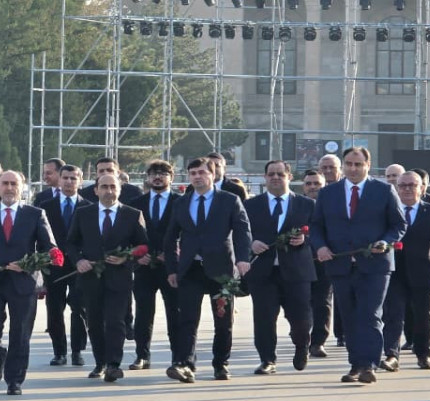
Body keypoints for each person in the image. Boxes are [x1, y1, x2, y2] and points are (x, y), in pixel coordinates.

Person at [309, 146, 406, 385]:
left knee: (370, 314)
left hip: (375, 265)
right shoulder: (328, 193)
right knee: (349, 316)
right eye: (349, 164)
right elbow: (317, 226)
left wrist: (385, 242)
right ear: (343, 166)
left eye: (358, 164)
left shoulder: (383, 191)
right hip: (340, 264)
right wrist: (320, 247)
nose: (353, 169)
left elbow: (398, 225)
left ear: (368, 166)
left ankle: (368, 365)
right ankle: (355, 364)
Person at [163, 156, 252, 383]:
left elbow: (242, 232)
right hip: (190, 269)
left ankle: (221, 364)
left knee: (223, 321)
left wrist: (243, 259)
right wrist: (172, 269)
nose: (197, 177)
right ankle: (185, 364)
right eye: (193, 173)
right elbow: (170, 238)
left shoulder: (229, 200)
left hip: (221, 270)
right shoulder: (181, 203)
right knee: (187, 319)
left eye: (202, 172)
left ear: (213, 174)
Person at [0, 170, 56, 395]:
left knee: (20, 333)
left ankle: (14, 380)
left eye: (13, 183)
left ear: (22, 187)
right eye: (5, 183)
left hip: (23, 283)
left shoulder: (35, 214)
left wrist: (29, 265)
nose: (9, 188)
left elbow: (50, 250)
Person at [67, 173, 149, 382]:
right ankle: (100, 363)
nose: (109, 191)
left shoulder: (132, 214)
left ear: (120, 190)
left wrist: (126, 258)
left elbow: (142, 245)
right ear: (96, 190)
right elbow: (71, 243)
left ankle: (113, 364)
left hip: (119, 277)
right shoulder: (83, 213)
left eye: (113, 187)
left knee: (115, 321)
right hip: (90, 277)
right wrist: (79, 261)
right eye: (104, 187)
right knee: (94, 322)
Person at [243, 160, 315, 375]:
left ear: (289, 177)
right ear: (265, 177)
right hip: (263, 272)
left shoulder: (306, 205)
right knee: (264, 318)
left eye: (280, 174)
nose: (275, 177)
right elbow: (240, 232)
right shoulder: (251, 205)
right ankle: (267, 359)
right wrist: (251, 243)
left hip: (297, 270)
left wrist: (305, 239)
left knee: (300, 317)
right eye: (271, 174)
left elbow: (321, 233)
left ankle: (302, 346)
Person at [382, 171, 430, 370]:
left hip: (423, 272)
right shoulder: (388, 211)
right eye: (402, 185)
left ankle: (423, 354)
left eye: (412, 185)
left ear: (421, 188)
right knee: (393, 314)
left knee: (423, 316)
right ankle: (391, 355)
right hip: (394, 271)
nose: (407, 189)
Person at [125, 160, 180, 371]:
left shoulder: (181, 202)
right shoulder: (136, 203)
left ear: (171, 178)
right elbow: (127, 234)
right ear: (147, 177)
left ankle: (178, 357)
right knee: (143, 313)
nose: (158, 177)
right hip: (144, 267)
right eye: (153, 173)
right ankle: (142, 355)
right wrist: (136, 256)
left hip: (171, 268)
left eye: (163, 173)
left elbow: (188, 232)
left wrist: (174, 254)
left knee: (175, 312)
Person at [39, 164, 92, 366]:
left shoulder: (88, 206)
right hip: (54, 265)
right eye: (65, 178)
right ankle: (59, 351)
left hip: (80, 265)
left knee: (79, 308)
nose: (69, 182)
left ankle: (77, 351)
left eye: (73, 178)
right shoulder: (45, 206)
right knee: (54, 308)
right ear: (59, 180)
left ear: (80, 181)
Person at [300, 169, 333, 358]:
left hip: (323, 261)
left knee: (322, 302)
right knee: (299, 302)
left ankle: (318, 342)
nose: (313, 187)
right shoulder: (296, 205)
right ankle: (301, 334)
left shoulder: (332, 205)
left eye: (317, 184)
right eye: (309, 184)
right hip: (299, 262)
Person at [316, 154, 347, 349]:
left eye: (331, 167)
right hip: (321, 250)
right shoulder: (318, 190)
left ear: (340, 169)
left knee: (343, 296)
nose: (328, 171)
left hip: (343, 251)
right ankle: (321, 335)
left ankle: (342, 333)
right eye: (324, 168)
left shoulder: (346, 190)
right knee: (323, 297)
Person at [79, 157, 143, 203]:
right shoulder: (85, 194)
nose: (105, 173)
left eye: (109, 170)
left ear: (118, 173)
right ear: (96, 174)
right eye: (101, 171)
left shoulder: (134, 192)